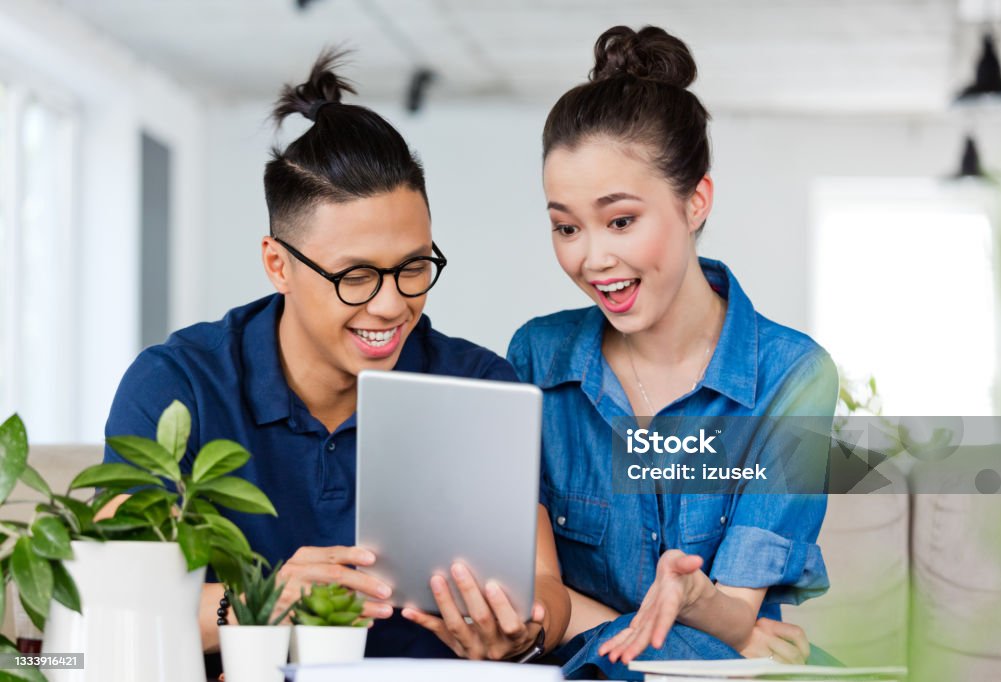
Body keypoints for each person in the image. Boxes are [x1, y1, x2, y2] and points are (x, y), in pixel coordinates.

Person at [102, 50, 568, 672]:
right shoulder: (178, 386)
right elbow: (115, 606)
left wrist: (523, 636)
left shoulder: (478, 383)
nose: (389, 305)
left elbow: (546, 585)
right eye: (354, 277)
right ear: (278, 264)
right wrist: (260, 604)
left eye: (413, 267)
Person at [507, 26, 838, 680]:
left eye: (621, 220)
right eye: (567, 227)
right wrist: (664, 627)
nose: (593, 258)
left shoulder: (793, 376)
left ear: (695, 202)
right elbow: (535, 589)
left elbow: (734, 619)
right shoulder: (536, 360)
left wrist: (701, 604)